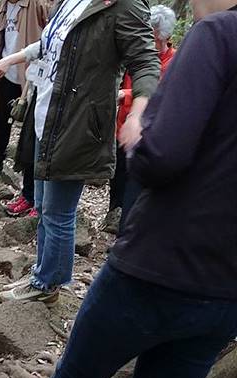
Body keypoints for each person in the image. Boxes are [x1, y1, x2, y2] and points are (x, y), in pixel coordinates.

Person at [0, 1, 237, 378]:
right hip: (223, 290)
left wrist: (136, 135)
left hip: (154, 264)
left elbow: (165, 153)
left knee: (77, 375)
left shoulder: (218, 36)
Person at [0, 0, 160, 304]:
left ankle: (48, 284)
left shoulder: (125, 6)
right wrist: (11, 59)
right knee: (43, 205)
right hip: (47, 115)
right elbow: (52, 43)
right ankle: (43, 275)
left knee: (58, 211)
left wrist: (138, 114)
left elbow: (146, 62)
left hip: (80, 123)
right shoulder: (68, 1)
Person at [108, 5, 177, 232]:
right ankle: (113, 218)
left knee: (134, 186)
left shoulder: (172, 61)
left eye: (154, 37)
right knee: (117, 179)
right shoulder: (136, 52)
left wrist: (125, 96)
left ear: (162, 36)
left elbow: (160, 93)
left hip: (144, 133)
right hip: (121, 126)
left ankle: (125, 232)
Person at [0, 0, 49, 217]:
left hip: (30, 77)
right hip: (5, 71)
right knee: (2, 119)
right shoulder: (3, 6)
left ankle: (33, 195)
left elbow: (44, 39)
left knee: (30, 133)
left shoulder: (36, 5)